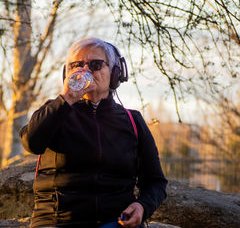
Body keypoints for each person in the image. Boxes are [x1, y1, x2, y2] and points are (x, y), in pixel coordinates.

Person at [20, 37, 167, 228]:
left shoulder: (133, 121)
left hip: (114, 222)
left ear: (115, 73)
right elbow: (32, 143)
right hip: (58, 221)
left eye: (95, 65)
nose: (85, 71)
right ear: (67, 74)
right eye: (77, 65)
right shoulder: (55, 111)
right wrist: (67, 98)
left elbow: (155, 181)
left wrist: (142, 206)